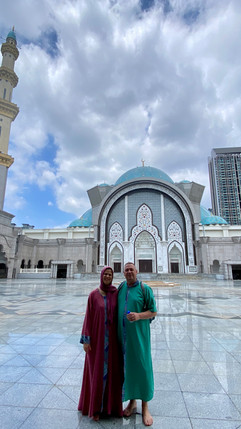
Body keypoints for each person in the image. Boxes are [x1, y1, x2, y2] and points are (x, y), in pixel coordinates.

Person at [78, 266, 123, 421]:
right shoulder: (93, 295)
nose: (108, 277)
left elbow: (124, 310)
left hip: (112, 342)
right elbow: (88, 317)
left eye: (110, 274)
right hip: (97, 341)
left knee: (112, 373)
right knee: (96, 372)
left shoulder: (115, 293)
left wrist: (136, 316)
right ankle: (95, 408)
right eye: (106, 274)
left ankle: (111, 407)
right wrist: (86, 340)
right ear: (102, 275)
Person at [118, 262, 157, 427]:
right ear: (123, 272)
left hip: (140, 338)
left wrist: (139, 316)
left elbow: (153, 311)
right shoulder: (121, 288)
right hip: (124, 338)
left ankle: (145, 406)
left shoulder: (144, 289)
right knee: (129, 368)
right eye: (126, 270)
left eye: (131, 270)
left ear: (136, 271)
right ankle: (132, 402)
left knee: (142, 367)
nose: (128, 272)